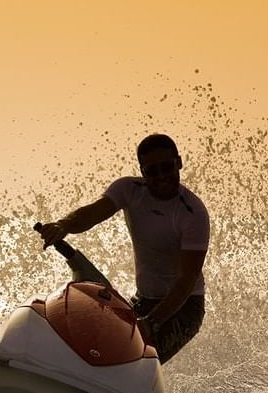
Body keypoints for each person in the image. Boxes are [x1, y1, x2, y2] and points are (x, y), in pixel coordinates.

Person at [38, 133, 209, 363]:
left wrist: (151, 322)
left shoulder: (192, 213)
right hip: (143, 299)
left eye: (167, 167)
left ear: (178, 162)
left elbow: (187, 279)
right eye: (152, 171)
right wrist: (63, 225)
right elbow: (93, 213)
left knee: (134, 357)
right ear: (142, 171)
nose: (161, 176)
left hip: (184, 307)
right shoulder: (129, 190)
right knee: (97, 340)